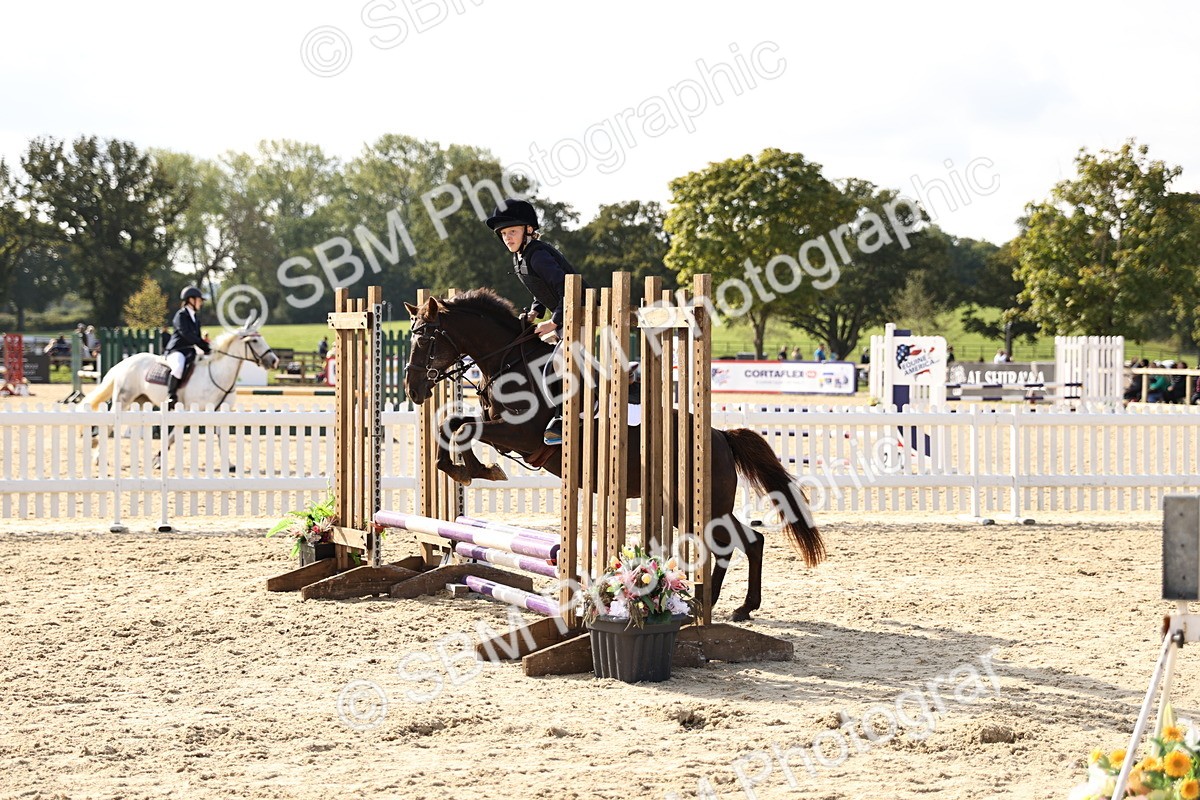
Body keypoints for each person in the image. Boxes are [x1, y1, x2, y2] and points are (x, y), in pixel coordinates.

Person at [485, 198, 587, 446]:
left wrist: (553, 322)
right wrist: (534, 312)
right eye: (503, 234)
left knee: (557, 364)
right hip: (568, 315)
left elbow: (567, 290)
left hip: (584, 314)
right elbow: (540, 290)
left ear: (528, 230)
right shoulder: (520, 257)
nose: (507, 238)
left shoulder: (538, 255)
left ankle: (568, 418)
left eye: (512, 232)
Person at [164, 286, 211, 409]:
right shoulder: (181, 315)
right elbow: (187, 334)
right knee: (178, 367)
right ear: (191, 300)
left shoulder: (195, 318)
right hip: (177, 350)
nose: (201, 303)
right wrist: (205, 346)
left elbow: (198, 337)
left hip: (189, 351)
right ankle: (171, 395)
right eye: (199, 300)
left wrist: (208, 348)